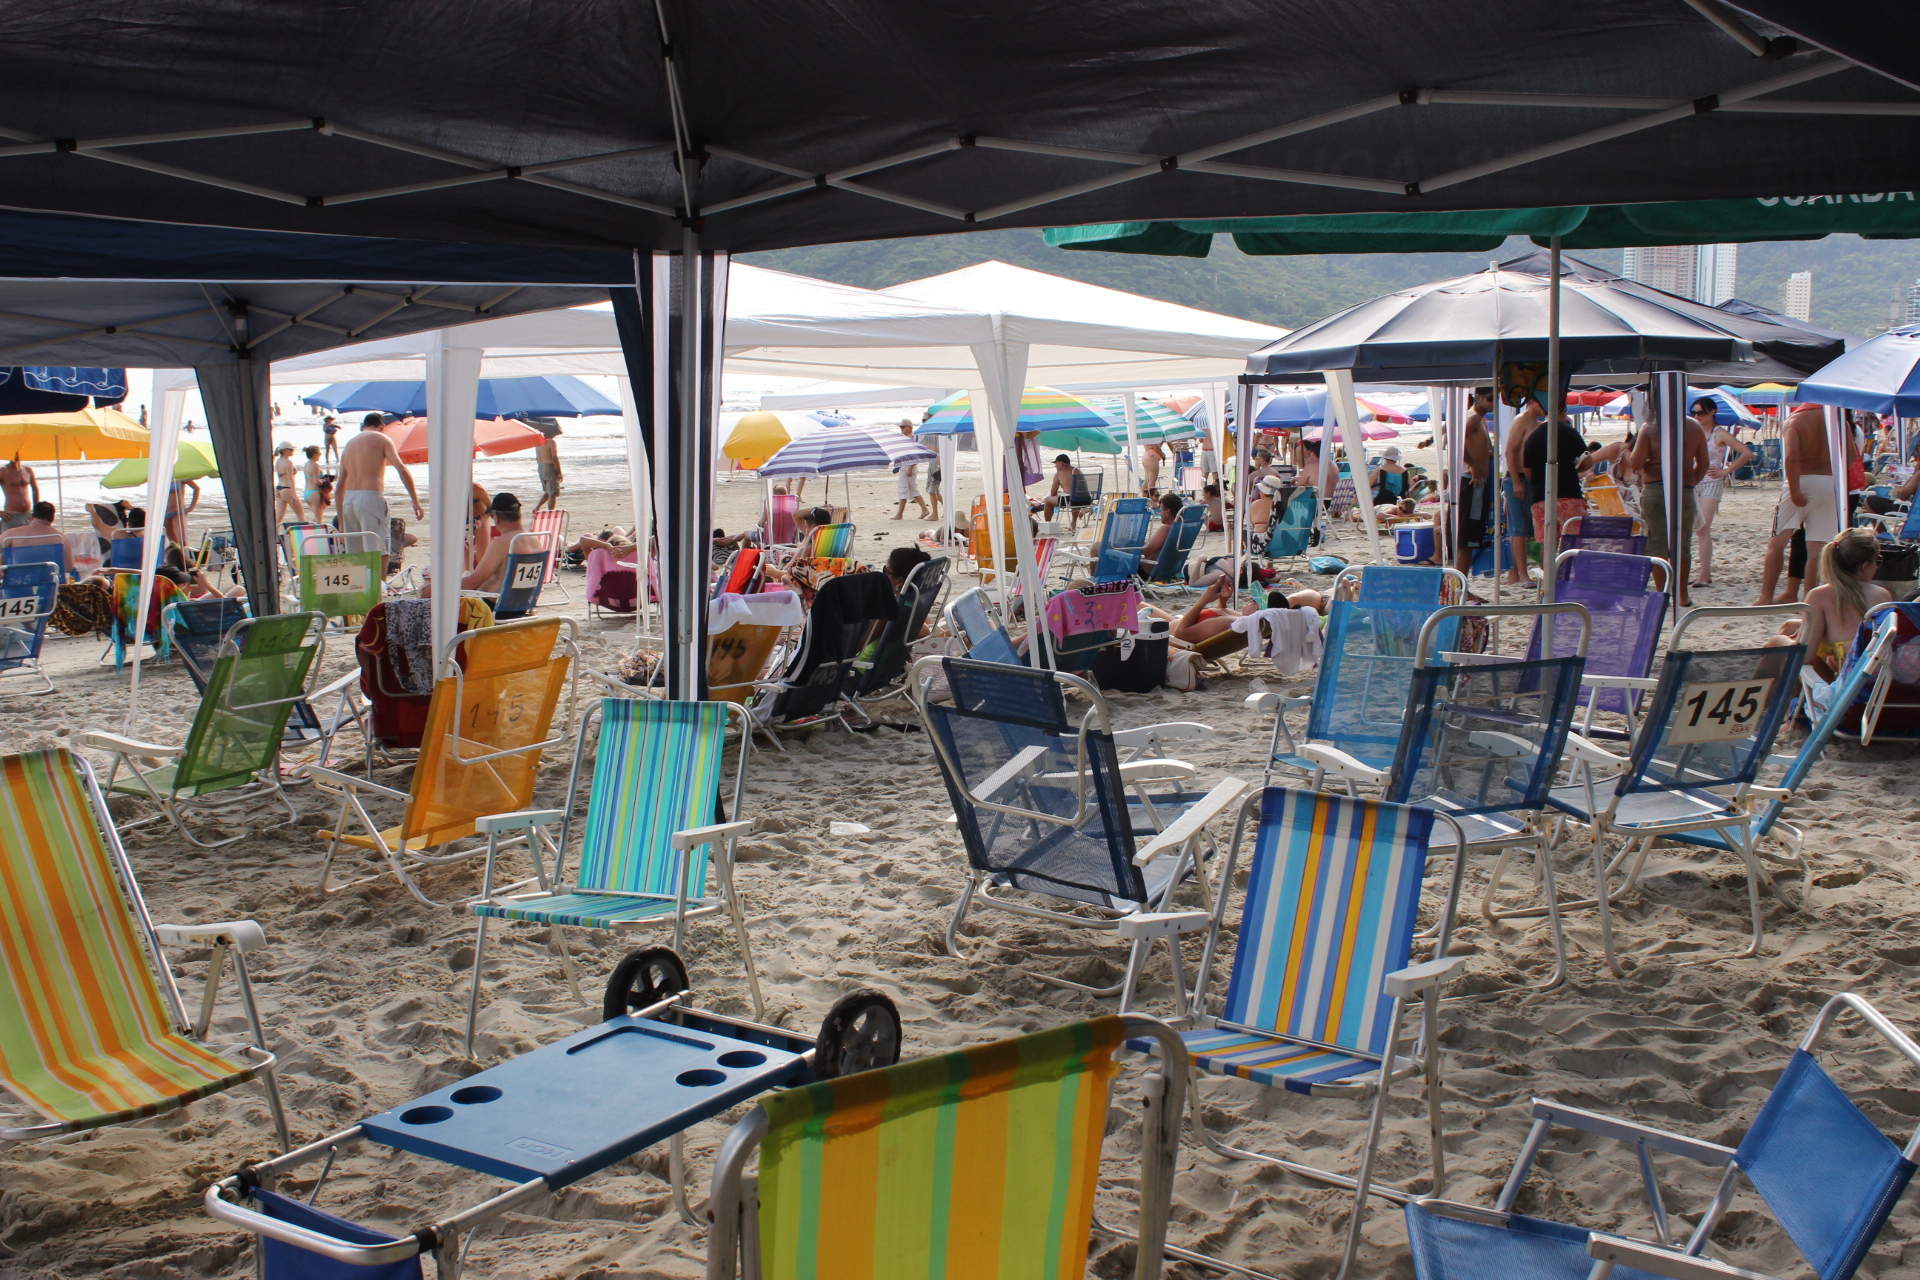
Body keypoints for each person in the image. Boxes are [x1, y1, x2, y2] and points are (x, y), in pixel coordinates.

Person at [1764, 528, 1890, 720]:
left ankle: (1759, 707)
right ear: (1866, 566)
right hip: (1877, 690)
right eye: (1877, 561)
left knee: (1778, 646)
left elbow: (1804, 657)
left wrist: (1781, 641)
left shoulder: (1820, 595)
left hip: (1845, 697)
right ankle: (1777, 711)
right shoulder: (1882, 595)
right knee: (1791, 626)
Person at [1756, 400, 1843, 605]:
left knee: (1777, 543)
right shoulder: (1836, 420)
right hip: (1829, 482)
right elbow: (1850, 455)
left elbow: (1791, 457)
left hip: (1802, 480)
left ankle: (1765, 597)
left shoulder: (1795, 420)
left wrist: (1795, 490)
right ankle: (1808, 602)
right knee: (1817, 550)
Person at [1628, 400, 1710, 607]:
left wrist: (1650, 460)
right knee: (1682, 543)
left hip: (1655, 488)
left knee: (1656, 544)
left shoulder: (1650, 427)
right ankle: (1682, 594)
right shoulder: (1694, 426)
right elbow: (1704, 463)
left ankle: (1662, 593)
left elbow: (1635, 463)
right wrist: (1690, 482)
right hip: (1684, 488)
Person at [337, 411, 423, 578]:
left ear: (363, 426)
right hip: (370, 497)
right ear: (382, 427)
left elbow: (340, 485)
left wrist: (341, 520)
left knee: (355, 551)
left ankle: (359, 587)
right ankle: (379, 587)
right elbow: (401, 469)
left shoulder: (349, 444)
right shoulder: (382, 439)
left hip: (349, 499)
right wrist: (415, 500)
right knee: (379, 548)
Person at [1692, 406, 1754, 588]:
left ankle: (1704, 575)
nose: (1697, 416)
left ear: (1712, 412)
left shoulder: (1719, 434)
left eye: (1701, 412)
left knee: (1703, 527)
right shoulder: (1693, 431)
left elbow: (1747, 452)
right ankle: (1701, 573)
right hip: (1693, 481)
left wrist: (1726, 471)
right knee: (1692, 528)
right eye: (1694, 413)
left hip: (1711, 482)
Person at [1524, 409, 1588, 555]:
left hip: (1541, 497)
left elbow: (1528, 473)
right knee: (1573, 543)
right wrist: (1575, 469)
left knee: (1547, 544)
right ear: (1563, 412)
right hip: (1569, 494)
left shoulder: (1532, 437)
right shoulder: (1569, 431)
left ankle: (1547, 570)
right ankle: (1569, 570)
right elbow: (1587, 460)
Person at [1453, 388, 1495, 582]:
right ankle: (1460, 585)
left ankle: (1460, 584)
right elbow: (1455, 442)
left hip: (1475, 482)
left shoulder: (1479, 419)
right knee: (1468, 540)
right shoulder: (1474, 418)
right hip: (1473, 482)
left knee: (1469, 538)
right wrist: (1473, 466)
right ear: (1478, 397)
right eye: (1490, 399)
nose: (1493, 403)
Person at [1501, 399, 1541, 587]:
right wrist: (1516, 481)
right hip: (1517, 478)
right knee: (1518, 528)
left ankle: (1515, 572)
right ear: (1532, 402)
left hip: (1530, 479)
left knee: (1526, 527)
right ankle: (1521, 574)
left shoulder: (1537, 423)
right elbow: (1510, 451)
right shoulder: (1521, 420)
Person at [461, 493, 528, 594]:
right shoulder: (535, 541)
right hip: (521, 600)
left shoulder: (501, 544)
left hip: (489, 602)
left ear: (496, 517)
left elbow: (472, 583)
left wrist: (442, 585)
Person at [892, 422, 930, 521]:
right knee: (910, 489)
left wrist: (910, 468)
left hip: (908, 466)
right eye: (900, 426)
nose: (901, 428)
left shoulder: (912, 439)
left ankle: (900, 514)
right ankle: (924, 510)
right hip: (904, 465)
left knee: (905, 488)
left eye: (903, 427)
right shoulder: (904, 438)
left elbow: (915, 455)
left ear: (909, 427)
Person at [0, 454, 39, 533]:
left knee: (29, 539)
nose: (16, 456)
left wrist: (37, 510)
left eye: (17, 453)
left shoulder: (27, 470)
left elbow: (35, 489)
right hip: (11, 515)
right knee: (7, 539)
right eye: (14, 454)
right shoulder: (3, 471)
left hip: (27, 514)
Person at [1142, 492, 1184, 562]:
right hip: (1170, 566)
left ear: (1167, 512)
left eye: (1161, 510)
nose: (1160, 513)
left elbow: (1144, 553)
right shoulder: (1182, 528)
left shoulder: (1166, 529)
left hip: (1146, 567)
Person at [272, 441, 306, 523]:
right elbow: (290, 478)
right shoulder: (288, 462)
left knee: (279, 517)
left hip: (279, 489)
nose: (292, 451)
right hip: (287, 489)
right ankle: (304, 530)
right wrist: (294, 494)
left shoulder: (278, 461)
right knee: (300, 514)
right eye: (290, 449)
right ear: (284, 450)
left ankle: (273, 531)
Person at [533, 431, 563, 515]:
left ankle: (537, 507)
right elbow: (554, 458)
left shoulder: (538, 443)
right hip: (549, 467)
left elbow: (537, 458)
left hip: (541, 467)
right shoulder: (551, 442)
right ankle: (550, 512)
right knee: (552, 493)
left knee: (548, 490)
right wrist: (559, 472)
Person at [164, 477, 201, 547]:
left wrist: (191, 507)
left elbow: (196, 488)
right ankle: (176, 553)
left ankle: (184, 553)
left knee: (182, 540)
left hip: (178, 511)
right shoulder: (162, 477)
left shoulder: (180, 476)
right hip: (164, 512)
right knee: (172, 541)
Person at [1039, 454, 1077, 519]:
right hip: (1085, 499)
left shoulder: (1059, 474)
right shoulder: (1077, 470)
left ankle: (1048, 523)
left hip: (1070, 500)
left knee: (1047, 500)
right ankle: (1074, 522)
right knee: (1075, 497)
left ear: (1061, 463)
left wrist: (1059, 494)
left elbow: (1053, 493)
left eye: (1056, 464)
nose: (1055, 466)